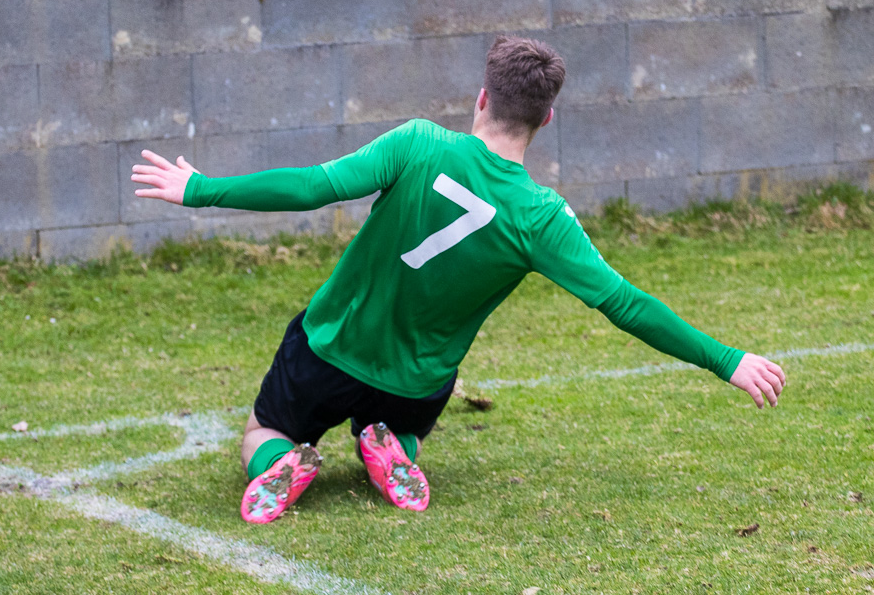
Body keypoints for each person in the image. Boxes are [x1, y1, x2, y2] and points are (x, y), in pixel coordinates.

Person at [131, 35, 786, 525]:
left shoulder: (418, 142)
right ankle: (394, 446)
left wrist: (201, 188)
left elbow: (313, 186)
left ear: (482, 98)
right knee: (407, 417)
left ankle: (279, 462)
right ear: (546, 120)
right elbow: (624, 302)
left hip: (328, 349)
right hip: (417, 385)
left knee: (261, 427)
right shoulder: (542, 217)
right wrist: (725, 358)